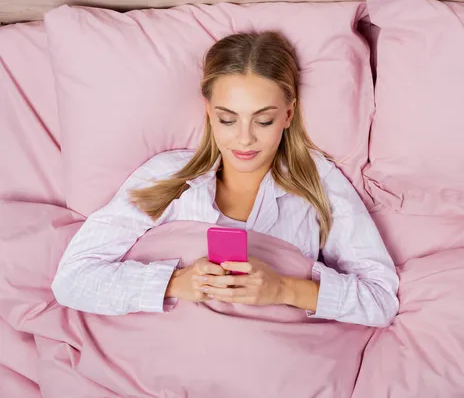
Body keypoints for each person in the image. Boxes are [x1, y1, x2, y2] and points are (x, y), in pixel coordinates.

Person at [51, 31, 399, 327]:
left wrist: (285, 289)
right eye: (227, 119)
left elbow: (381, 299)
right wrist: (174, 283)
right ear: (208, 111)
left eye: (263, 121)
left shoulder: (318, 182)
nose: (244, 139)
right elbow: (72, 279)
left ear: (288, 114)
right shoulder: (165, 176)